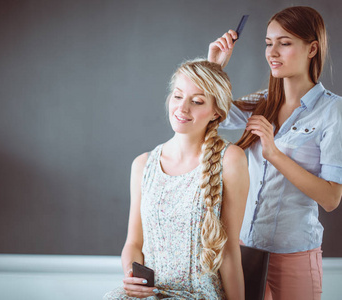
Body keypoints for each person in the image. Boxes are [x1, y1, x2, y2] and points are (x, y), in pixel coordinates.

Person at [208, 6, 342, 300]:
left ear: (312, 49)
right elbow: (211, 112)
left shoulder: (333, 111)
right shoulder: (262, 102)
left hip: (294, 256)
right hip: (244, 249)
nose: (273, 52)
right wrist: (215, 67)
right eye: (268, 43)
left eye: (285, 43)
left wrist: (274, 153)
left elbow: (332, 198)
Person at [104, 59, 249, 299]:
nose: (183, 108)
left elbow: (229, 250)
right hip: (151, 294)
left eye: (197, 101)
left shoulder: (230, 160)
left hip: (199, 295)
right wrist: (132, 275)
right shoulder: (143, 165)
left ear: (216, 112)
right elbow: (133, 243)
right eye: (178, 96)